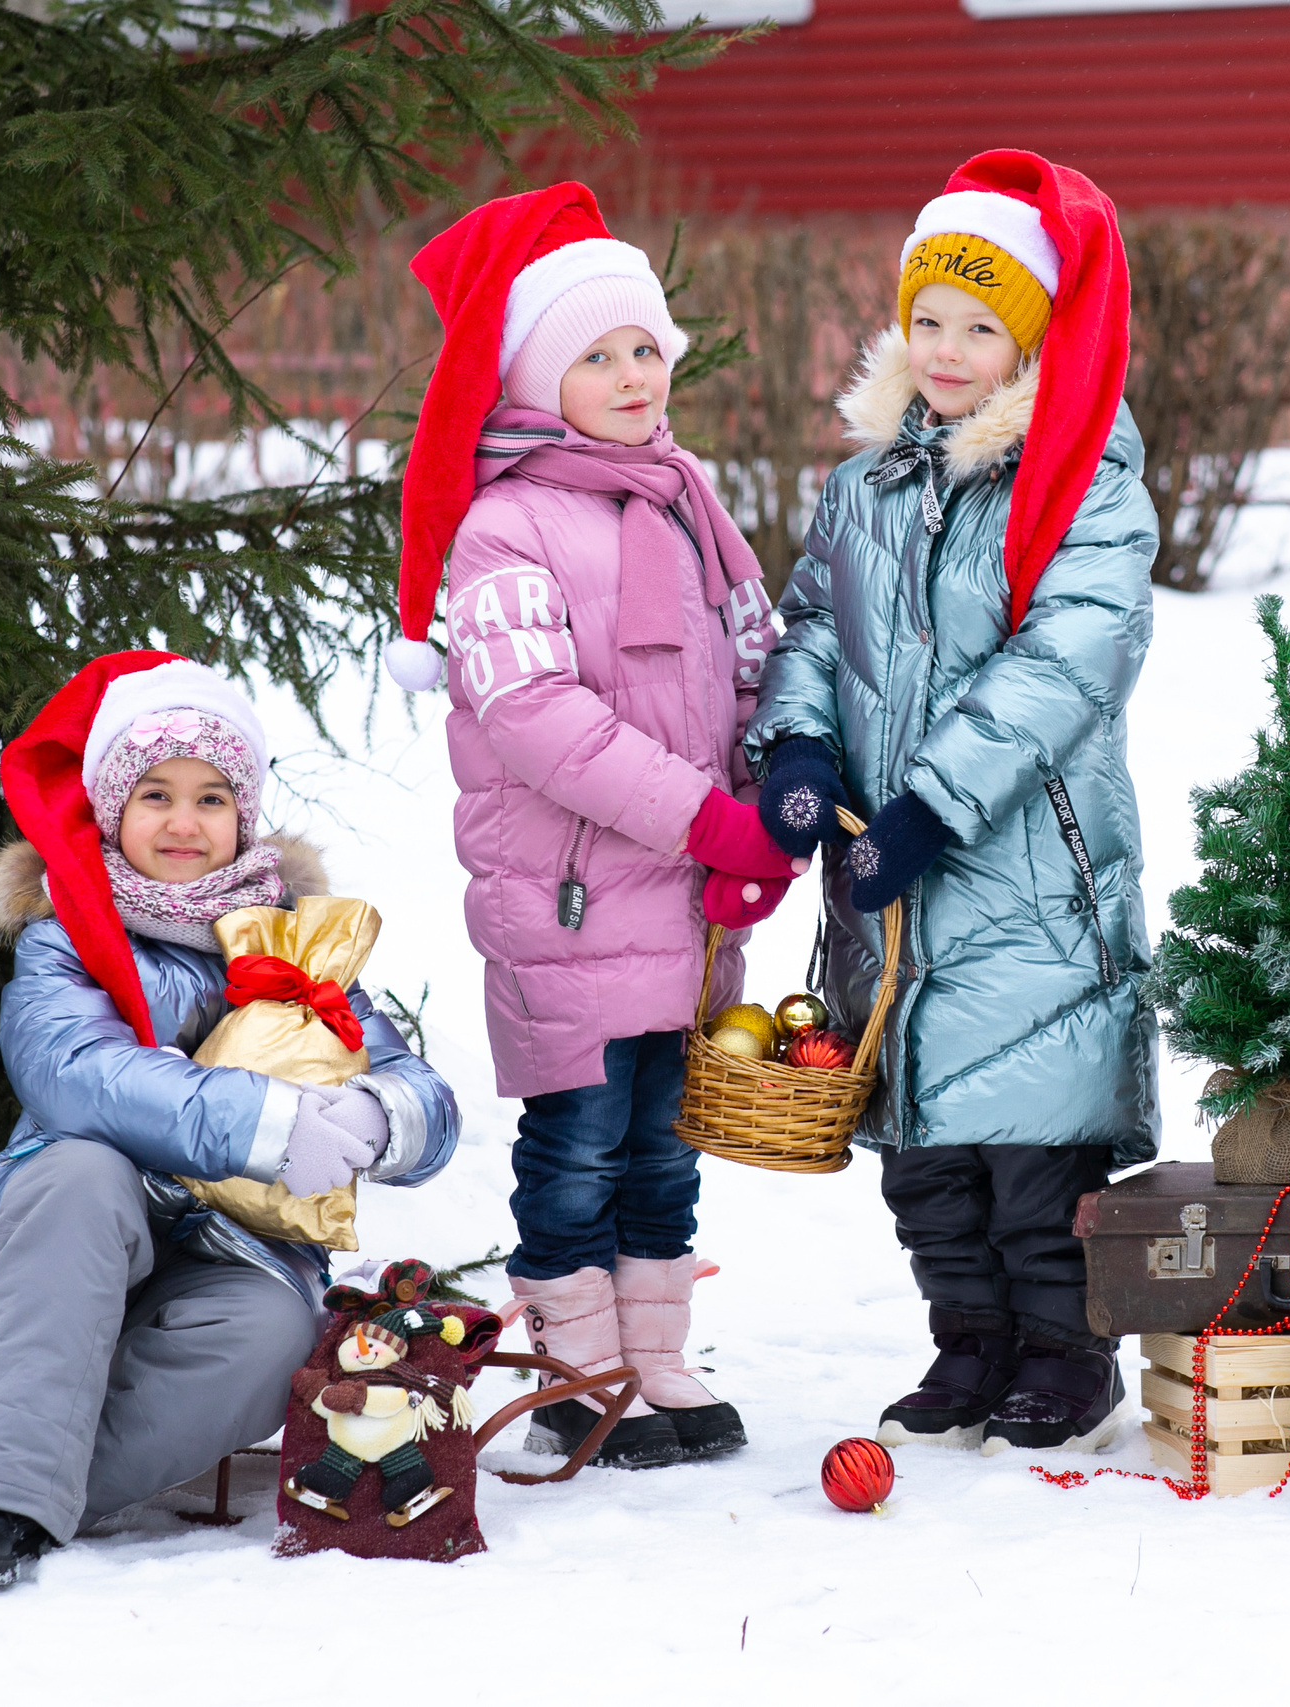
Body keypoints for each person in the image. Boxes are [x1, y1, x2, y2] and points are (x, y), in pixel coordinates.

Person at [748, 151, 1159, 1456]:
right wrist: (800, 746)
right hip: (885, 867)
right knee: (924, 1143)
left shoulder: (1081, 481)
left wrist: (933, 801)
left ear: (1031, 340)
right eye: (929, 318)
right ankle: (967, 1342)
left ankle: (1064, 1350)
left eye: (982, 326)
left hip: (1028, 865)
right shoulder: (864, 486)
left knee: (1031, 1143)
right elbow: (812, 624)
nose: (947, 346)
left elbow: (1068, 663)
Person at [383, 184, 793, 1470]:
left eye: (643, 350)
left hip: (678, 900)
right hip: (569, 901)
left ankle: (655, 1359)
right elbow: (534, 717)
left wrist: (771, 797)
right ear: (529, 379)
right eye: (595, 355)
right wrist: (703, 819)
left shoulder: (683, 499)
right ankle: (576, 1368)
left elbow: (747, 658)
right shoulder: (506, 526)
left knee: (667, 1151)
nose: (629, 375)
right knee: (576, 1152)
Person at [0, 653, 460, 1588]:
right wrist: (272, 1122)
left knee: (268, 1336)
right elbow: (75, 1071)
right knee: (81, 1171)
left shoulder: (300, 943)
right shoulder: (66, 937)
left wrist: (379, 1111)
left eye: (211, 797)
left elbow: (425, 1093)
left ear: (242, 815)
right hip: (79, 1214)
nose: (182, 821)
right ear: (115, 809)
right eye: (156, 793)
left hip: (237, 1245)